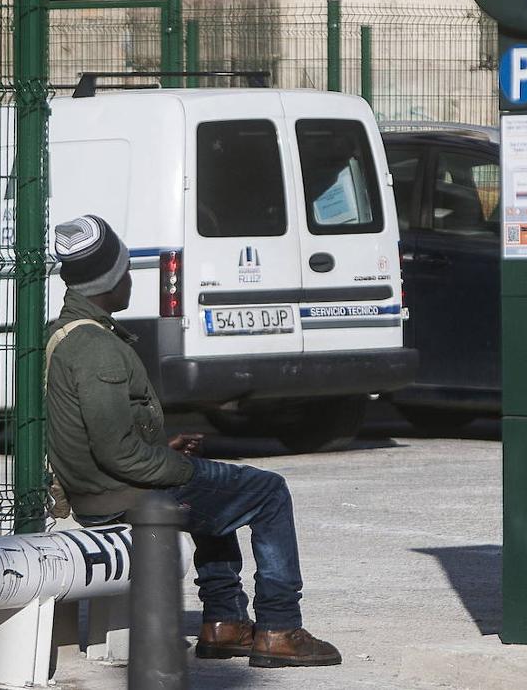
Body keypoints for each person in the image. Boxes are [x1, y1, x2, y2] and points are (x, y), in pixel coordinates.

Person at [45, 214, 341, 668]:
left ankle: (223, 624)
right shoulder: (95, 347)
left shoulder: (63, 335)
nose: (130, 279)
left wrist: (162, 450)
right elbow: (115, 451)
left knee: (218, 499)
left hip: (102, 491)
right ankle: (280, 628)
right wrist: (177, 468)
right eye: (125, 270)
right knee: (268, 492)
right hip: (120, 497)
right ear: (109, 280)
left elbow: (99, 433)